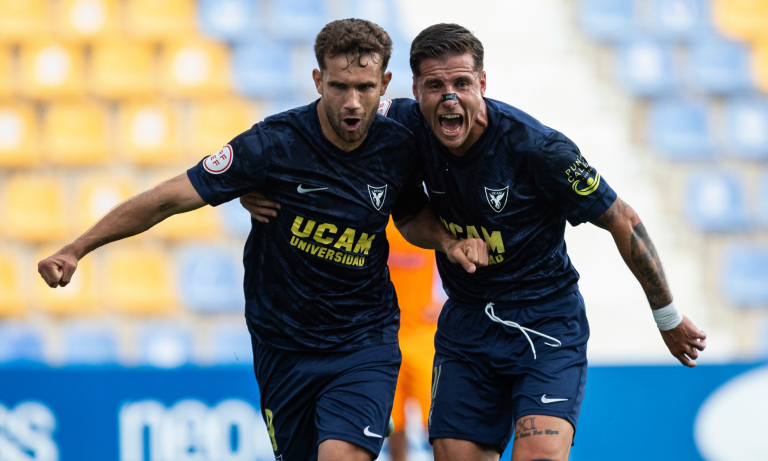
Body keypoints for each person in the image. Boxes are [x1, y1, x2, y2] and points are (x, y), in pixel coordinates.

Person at [240, 23, 708, 461]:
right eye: (434, 86)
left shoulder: (537, 150)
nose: (449, 98)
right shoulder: (401, 124)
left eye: (461, 83)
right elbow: (313, 131)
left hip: (544, 322)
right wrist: (256, 180)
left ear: (482, 83)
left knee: (539, 455)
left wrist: (666, 315)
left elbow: (622, 218)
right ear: (414, 90)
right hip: (468, 326)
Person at [37, 19, 488, 461]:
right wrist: (77, 248)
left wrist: (448, 241)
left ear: (385, 82)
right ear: (317, 80)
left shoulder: (402, 140)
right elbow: (167, 198)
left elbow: (411, 212)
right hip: (283, 345)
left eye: (365, 88)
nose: (352, 102)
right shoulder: (271, 145)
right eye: (338, 87)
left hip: (362, 341)